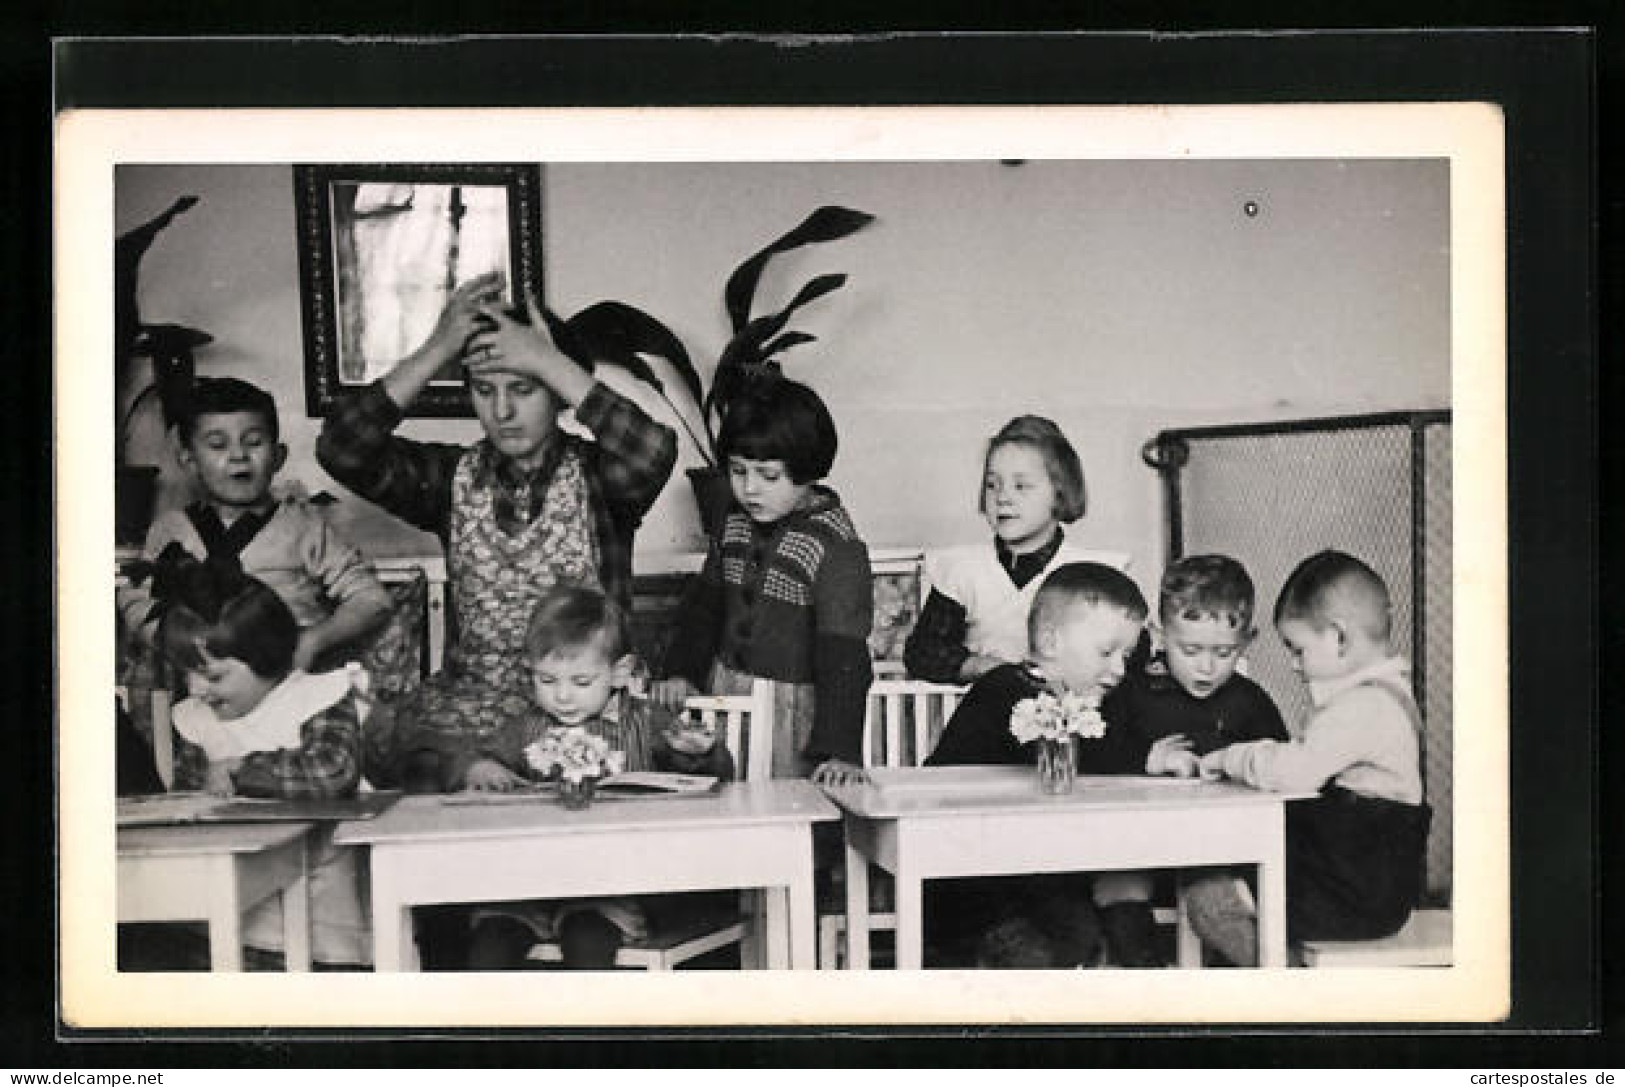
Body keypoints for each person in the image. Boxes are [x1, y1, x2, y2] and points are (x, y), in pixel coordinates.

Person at [315, 273, 677, 793]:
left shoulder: (602, 478)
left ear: (557, 394)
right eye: (484, 391)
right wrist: (439, 347)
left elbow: (652, 450)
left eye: (524, 389)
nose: (502, 412)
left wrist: (549, 361)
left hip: (588, 714)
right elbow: (342, 447)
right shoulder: (447, 480)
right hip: (473, 728)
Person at [460, 585, 735, 969]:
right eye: (548, 681)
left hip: (613, 888)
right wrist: (480, 767)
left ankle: (587, 1028)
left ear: (620, 672)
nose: (563, 698)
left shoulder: (646, 721)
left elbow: (717, 777)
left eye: (581, 682)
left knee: (587, 942)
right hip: (529, 884)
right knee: (488, 949)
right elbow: (470, 755)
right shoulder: (526, 727)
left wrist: (696, 754)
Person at [1185, 550, 1431, 966]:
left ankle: (1280, 987)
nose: (1295, 666)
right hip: (1363, 887)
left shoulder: (1364, 706)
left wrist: (1229, 757)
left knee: (1206, 893)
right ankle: (1274, 964)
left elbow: (1294, 771)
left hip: (1355, 896)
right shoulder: (1386, 695)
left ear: (1338, 637)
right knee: (1228, 872)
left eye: (1297, 649)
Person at [924, 561, 1148, 967]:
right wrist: (1146, 758)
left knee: (1095, 917)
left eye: (1126, 655)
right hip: (971, 881)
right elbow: (1076, 756)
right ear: (1050, 641)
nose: (1118, 668)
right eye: (1106, 652)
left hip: (1040, 872)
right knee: (1067, 932)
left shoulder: (1099, 698)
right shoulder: (1005, 690)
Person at [652, 377, 872, 788]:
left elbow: (844, 654)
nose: (749, 488)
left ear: (807, 470)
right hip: (726, 698)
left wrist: (839, 751)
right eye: (738, 471)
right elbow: (706, 607)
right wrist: (680, 671)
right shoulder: (733, 523)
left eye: (768, 476)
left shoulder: (835, 547)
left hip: (792, 716)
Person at [159, 556, 371, 969]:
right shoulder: (198, 721)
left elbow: (331, 773)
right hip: (231, 919)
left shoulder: (316, 698)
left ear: (266, 657)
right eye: (188, 675)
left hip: (326, 923)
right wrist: (201, 786)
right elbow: (187, 796)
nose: (197, 690)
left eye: (214, 676)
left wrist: (242, 770)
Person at [1087, 554, 1289, 967]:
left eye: (1224, 652)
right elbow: (1091, 751)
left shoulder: (1250, 703)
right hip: (1138, 847)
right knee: (1114, 886)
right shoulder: (1131, 692)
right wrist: (1145, 758)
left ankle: (1273, 985)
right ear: (1160, 633)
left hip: (1218, 852)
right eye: (1190, 649)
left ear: (1247, 641)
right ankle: (1152, 990)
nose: (1206, 666)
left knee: (1213, 904)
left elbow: (1281, 767)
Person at [119, 376, 393, 673]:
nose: (238, 455)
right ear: (189, 461)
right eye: (217, 445)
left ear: (278, 457)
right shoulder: (170, 529)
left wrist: (313, 642)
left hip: (287, 681)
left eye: (253, 443)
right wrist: (175, 644)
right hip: (202, 684)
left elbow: (371, 598)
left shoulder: (305, 526)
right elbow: (136, 599)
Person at [904, 415, 1130, 685]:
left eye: (1021, 486)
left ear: (1060, 493)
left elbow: (1125, 656)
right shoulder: (963, 571)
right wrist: (984, 667)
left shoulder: (1091, 573)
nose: (1002, 497)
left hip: (1069, 719)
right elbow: (923, 653)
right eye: (992, 485)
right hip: (980, 718)